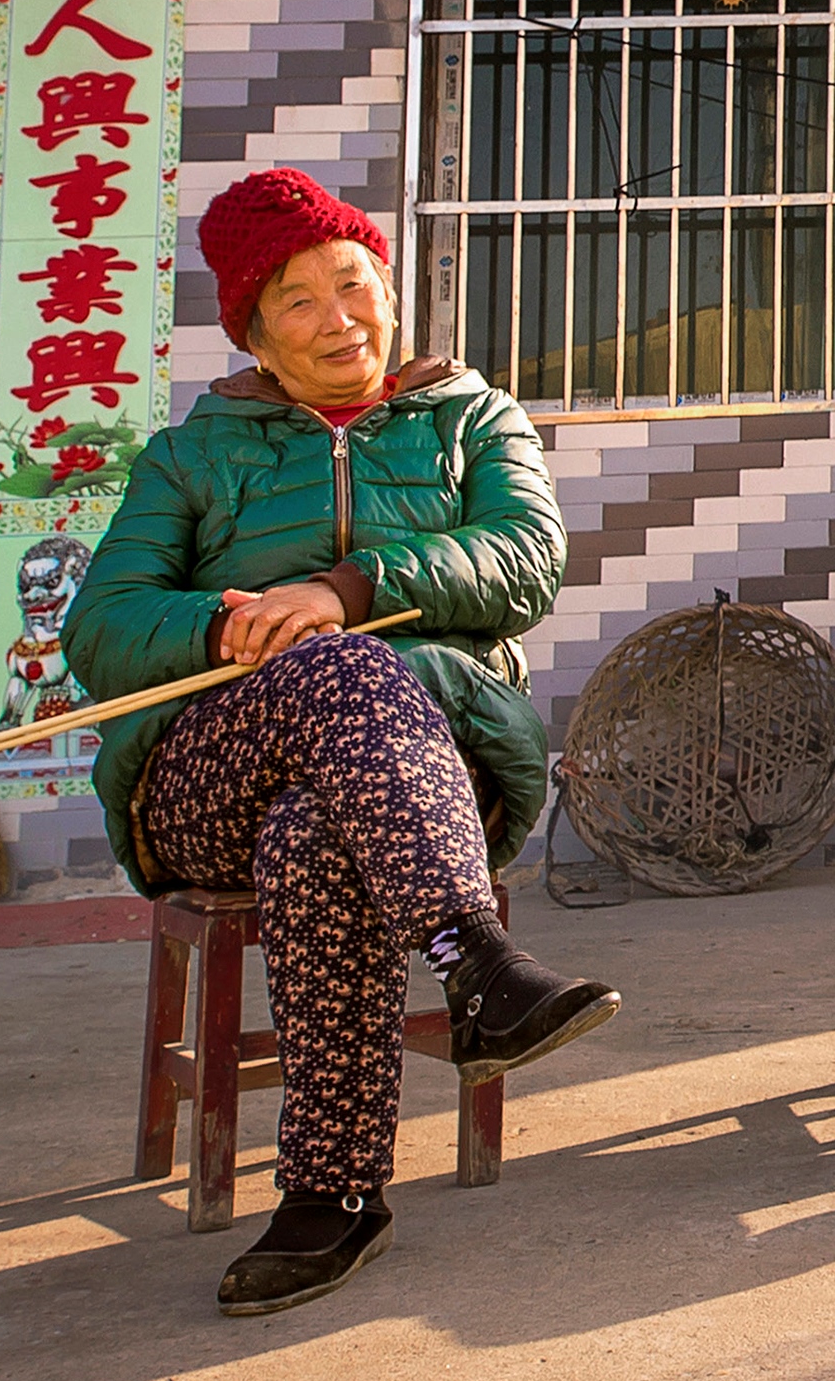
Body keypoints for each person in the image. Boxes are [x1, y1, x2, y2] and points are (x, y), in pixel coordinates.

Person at [71, 169, 616, 1318]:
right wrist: (226, 622)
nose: (342, 319)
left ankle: (334, 1198)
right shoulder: (190, 456)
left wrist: (345, 588)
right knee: (331, 675)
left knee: (324, 823)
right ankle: (476, 965)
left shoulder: (471, 418)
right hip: (210, 776)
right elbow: (102, 630)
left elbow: (526, 560)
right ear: (255, 333)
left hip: (432, 765)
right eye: (301, 301)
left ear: (389, 287)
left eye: (356, 284)